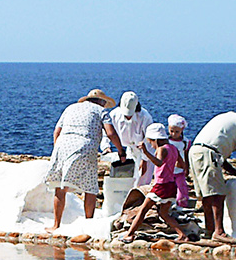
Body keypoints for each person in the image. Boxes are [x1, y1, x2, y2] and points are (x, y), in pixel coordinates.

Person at [45, 89, 126, 231]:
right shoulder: (101, 111)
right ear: (102, 102)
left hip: (62, 146)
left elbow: (57, 131)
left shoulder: (70, 108)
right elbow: (111, 133)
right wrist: (121, 151)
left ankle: (56, 225)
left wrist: (57, 149)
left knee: (60, 187)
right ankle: (88, 225)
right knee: (90, 188)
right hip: (84, 147)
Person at [188, 109, 236, 243]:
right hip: (207, 153)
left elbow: (219, 156)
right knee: (218, 195)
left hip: (196, 151)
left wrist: (234, 171)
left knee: (207, 194)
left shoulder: (230, 118)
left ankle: (210, 229)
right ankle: (219, 231)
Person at [121, 123, 189, 242]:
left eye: (151, 142)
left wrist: (146, 152)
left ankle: (129, 234)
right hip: (171, 185)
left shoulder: (161, 149)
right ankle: (182, 234)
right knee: (164, 213)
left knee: (143, 210)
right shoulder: (173, 148)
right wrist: (171, 165)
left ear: (155, 140)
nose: (151, 145)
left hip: (161, 186)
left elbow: (158, 162)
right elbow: (182, 165)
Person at [105, 91, 154, 186]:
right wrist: (106, 146)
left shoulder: (145, 117)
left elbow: (148, 140)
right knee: (130, 180)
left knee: (143, 181)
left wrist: (144, 160)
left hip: (145, 151)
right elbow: (106, 132)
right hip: (128, 150)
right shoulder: (114, 115)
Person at [167, 114, 192, 209]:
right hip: (168, 171)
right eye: (171, 131)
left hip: (180, 170)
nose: (174, 134)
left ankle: (182, 205)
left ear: (181, 130)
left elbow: (186, 155)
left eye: (176, 132)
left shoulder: (185, 142)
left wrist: (187, 168)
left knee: (182, 189)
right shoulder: (166, 141)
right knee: (169, 189)